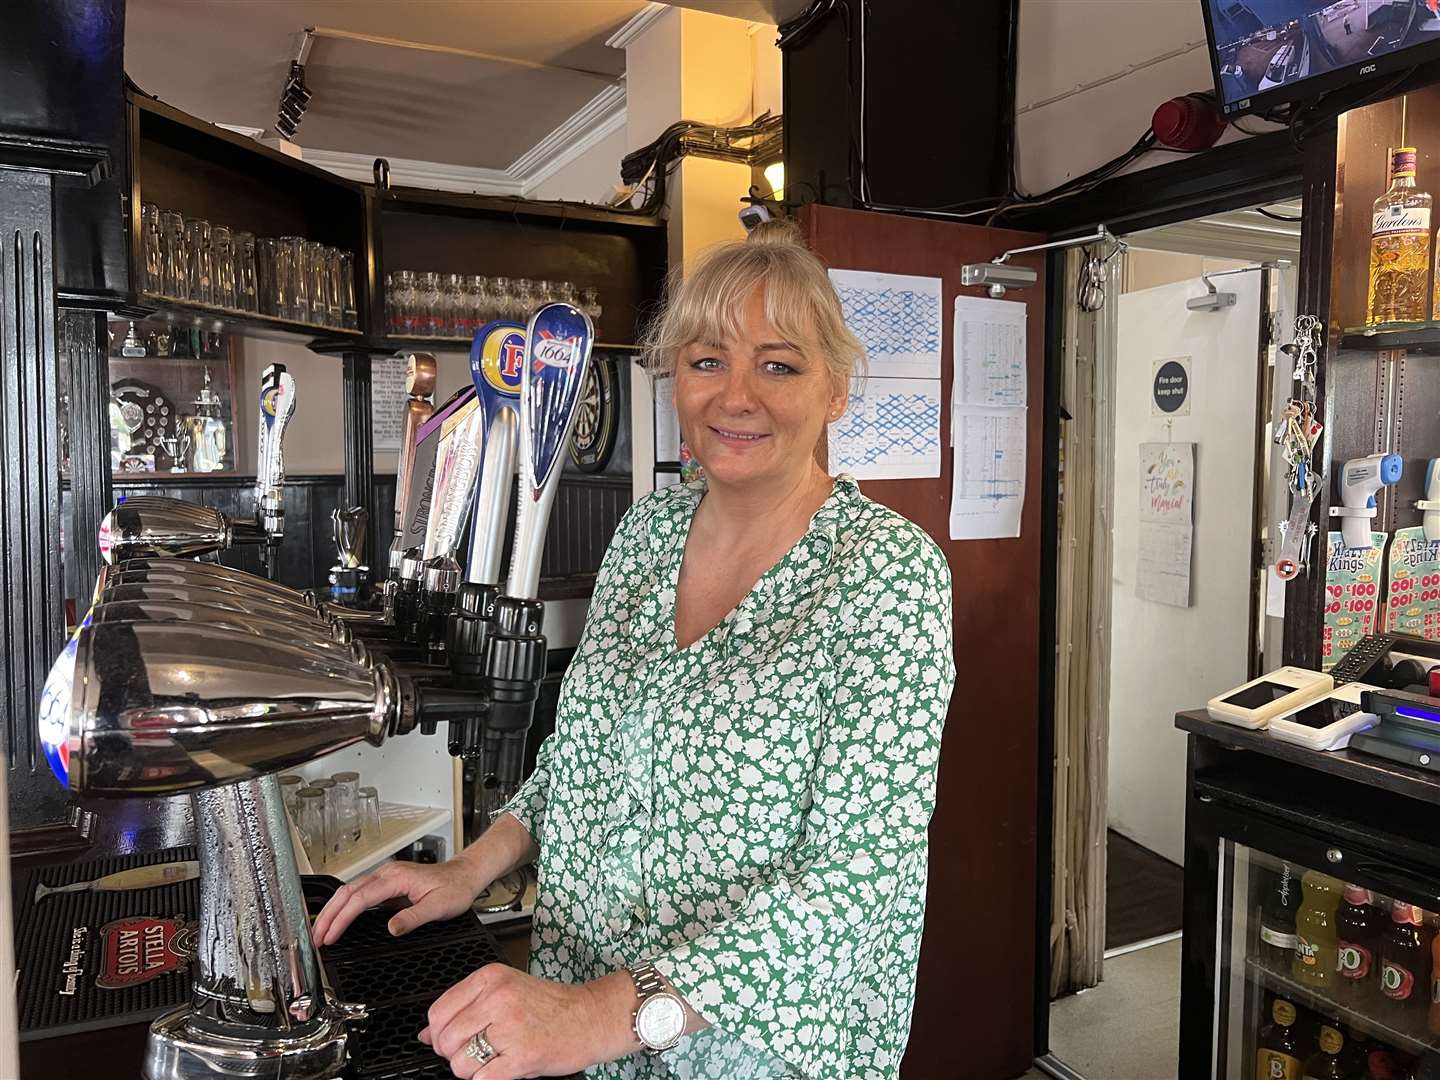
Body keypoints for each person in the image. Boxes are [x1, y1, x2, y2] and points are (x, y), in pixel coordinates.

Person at [313, 221, 957, 1079]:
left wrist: (600, 1015)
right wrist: (472, 866)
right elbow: (584, 758)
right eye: (705, 360)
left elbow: (859, 877)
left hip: (742, 1052)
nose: (735, 395)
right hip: (578, 1012)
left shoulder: (887, 573)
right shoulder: (649, 532)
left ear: (836, 390)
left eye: (779, 364)